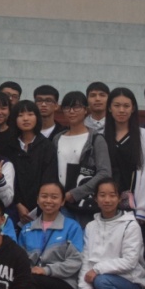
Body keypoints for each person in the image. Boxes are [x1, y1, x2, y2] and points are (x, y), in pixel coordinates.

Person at [77, 178, 145, 289]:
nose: (107, 200)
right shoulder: (91, 226)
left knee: (102, 281)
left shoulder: (130, 225)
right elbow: (86, 260)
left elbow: (130, 261)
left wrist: (98, 269)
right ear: (96, 199)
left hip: (133, 284)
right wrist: (84, 288)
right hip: (103, 283)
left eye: (112, 195)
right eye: (102, 195)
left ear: (119, 198)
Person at [19, 181, 84, 289]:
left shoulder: (72, 227)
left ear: (62, 201)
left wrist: (47, 270)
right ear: (37, 199)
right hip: (35, 283)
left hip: (64, 284)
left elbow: (75, 261)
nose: (48, 200)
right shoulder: (27, 229)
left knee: (34, 279)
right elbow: (20, 261)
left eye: (54, 197)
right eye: (44, 196)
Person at [51, 91, 111, 219]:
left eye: (77, 107)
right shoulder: (57, 138)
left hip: (85, 203)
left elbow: (105, 173)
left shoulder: (96, 139)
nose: (72, 111)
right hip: (60, 203)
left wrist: (76, 193)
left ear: (85, 110)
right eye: (67, 108)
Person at [103, 87, 145, 236]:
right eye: (117, 105)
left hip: (132, 205)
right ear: (110, 108)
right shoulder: (101, 135)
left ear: (133, 109)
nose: (121, 110)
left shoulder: (143, 135)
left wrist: (142, 209)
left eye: (126, 106)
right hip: (106, 202)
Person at [8, 99, 51, 224]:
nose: (25, 119)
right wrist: (17, 203)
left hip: (41, 207)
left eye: (30, 114)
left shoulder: (47, 146)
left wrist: (39, 204)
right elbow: (9, 180)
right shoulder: (9, 146)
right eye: (20, 115)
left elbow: (49, 177)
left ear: (37, 117)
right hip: (13, 208)